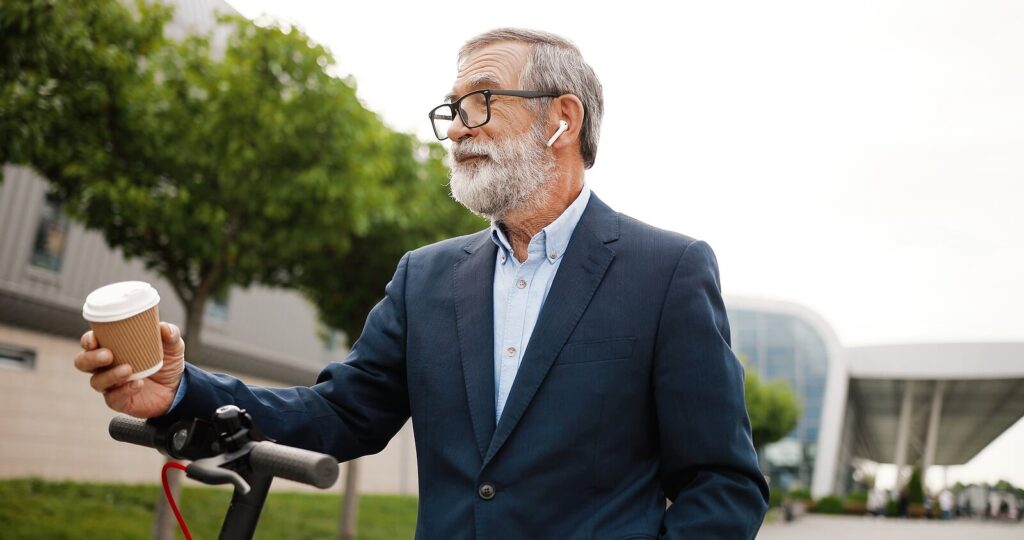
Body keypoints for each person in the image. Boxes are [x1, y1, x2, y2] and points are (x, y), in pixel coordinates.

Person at [74, 28, 769, 538]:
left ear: (562, 119)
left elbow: (723, 484)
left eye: (481, 102)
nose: (456, 129)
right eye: (452, 109)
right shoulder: (426, 277)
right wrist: (180, 390)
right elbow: (340, 413)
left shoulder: (667, 271)